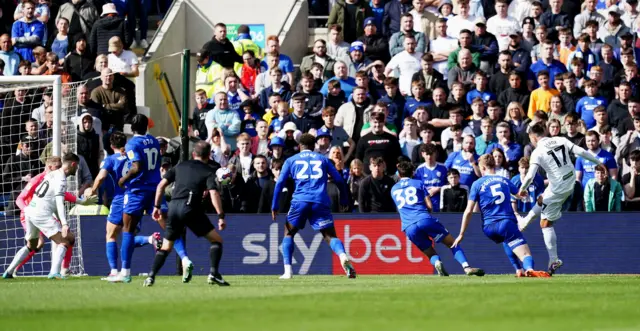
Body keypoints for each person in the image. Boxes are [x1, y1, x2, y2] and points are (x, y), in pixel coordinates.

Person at [517, 123, 604, 275]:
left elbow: (530, 175)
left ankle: (553, 259)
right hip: (570, 180)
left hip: (558, 187)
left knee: (545, 224)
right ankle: (525, 221)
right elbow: (581, 151)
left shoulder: (537, 152)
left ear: (532, 137)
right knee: (542, 198)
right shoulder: (560, 139)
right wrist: (599, 162)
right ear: (544, 132)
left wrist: (522, 190)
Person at [110, 115, 188, 283]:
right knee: (168, 227)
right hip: (155, 190)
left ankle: (125, 272)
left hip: (137, 191)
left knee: (128, 230)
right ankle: (185, 259)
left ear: (132, 128)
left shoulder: (132, 143)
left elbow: (136, 167)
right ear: (147, 126)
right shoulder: (153, 140)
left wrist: (123, 179)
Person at [142, 141, 228, 287]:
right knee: (217, 240)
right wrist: (220, 215)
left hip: (173, 207)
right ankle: (214, 274)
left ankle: (151, 276)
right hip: (190, 207)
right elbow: (213, 193)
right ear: (209, 155)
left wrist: (156, 206)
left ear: (194, 154)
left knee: (166, 247)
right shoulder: (208, 171)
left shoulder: (180, 166)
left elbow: (161, 185)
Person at [271, 133, 356, 279]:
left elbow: (279, 183)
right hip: (320, 201)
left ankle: (288, 271)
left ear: (300, 146)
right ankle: (343, 256)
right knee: (330, 236)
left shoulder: (291, 160)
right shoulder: (323, 159)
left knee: (289, 233)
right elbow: (340, 180)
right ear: (313, 146)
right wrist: (344, 200)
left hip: (300, 201)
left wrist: (275, 205)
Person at [453, 154, 550, 278]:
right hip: (505, 223)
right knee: (525, 254)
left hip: (488, 228)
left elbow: (468, 211)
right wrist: (525, 191)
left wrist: (461, 234)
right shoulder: (504, 180)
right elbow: (521, 195)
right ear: (494, 165)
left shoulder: (477, 184)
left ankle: (518, 269)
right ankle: (529, 269)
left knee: (507, 240)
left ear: (482, 168)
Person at [3, 156, 96, 278]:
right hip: (41, 214)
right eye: (77, 166)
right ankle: (55, 272)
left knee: (32, 245)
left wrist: (82, 202)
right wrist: (64, 223)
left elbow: (62, 195)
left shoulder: (51, 175)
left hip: (30, 212)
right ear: (73, 164)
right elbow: (59, 201)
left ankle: (8, 272)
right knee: (67, 239)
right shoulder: (61, 179)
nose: (77, 169)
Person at [84, 132, 160, 280]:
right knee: (128, 234)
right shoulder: (133, 155)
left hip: (120, 199)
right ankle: (150, 239)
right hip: (137, 196)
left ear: (111, 146)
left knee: (111, 235)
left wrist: (92, 190)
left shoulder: (110, 159)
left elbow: (101, 176)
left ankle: (114, 271)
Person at [393, 161, 484, 276]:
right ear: (412, 172)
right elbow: (430, 206)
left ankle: (436, 262)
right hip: (424, 219)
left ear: (399, 174)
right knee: (452, 243)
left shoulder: (393, 189)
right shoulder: (418, 183)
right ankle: (466, 267)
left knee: (429, 251)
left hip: (408, 226)